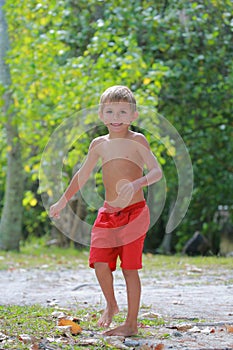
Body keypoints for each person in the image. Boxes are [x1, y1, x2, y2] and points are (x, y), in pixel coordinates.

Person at [49, 85, 162, 336]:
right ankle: (111, 304)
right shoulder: (98, 144)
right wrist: (62, 201)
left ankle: (131, 323)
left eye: (123, 112)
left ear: (134, 115)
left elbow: (156, 172)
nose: (116, 117)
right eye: (110, 111)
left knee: (129, 268)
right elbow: (82, 175)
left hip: (135, 212)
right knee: (100, 262)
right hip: (108, 214)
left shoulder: (138, 140)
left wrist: (137, 183)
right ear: (101, 114)